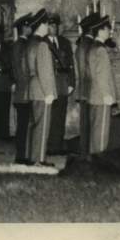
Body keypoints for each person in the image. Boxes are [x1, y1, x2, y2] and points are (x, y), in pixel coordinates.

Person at [25, 9, 56, 167]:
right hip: (42, 89)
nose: (48, 27)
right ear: (42, 25)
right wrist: (49, 92)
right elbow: (44, 70)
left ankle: (32, 156)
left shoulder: (31, 42)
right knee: (42, 125)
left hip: (33, 87)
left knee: (35, 124)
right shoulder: (42, 44)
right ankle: (39, 159)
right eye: (47, 24)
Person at [83, 13, 118, 154]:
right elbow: (102, 75)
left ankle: (93, 159)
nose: (109, 32)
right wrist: (107, 95)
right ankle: (99, 161)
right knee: (102, 132)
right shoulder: (101, 50)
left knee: (96, 130)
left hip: (94, 95)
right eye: (107, 29)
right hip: (101, 97)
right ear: (101, 30)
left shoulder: (92, 47)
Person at [45, 13, 76, 155]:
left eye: (56, 25)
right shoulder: (43, 43)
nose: (54, 28)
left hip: (62, 82)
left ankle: (57, 144)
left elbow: (70, 64)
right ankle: (48, 145)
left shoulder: (64, 42)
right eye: (51, 25)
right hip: (50, 81)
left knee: (60, 114)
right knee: (49, 115)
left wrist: (72, 82)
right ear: (46, 27)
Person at [9, 14, 33, 163]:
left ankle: (24, 154)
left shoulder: (22, 44)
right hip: (23, 92)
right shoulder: (20, 45)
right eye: (29, 26)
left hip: (23, 91)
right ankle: (21, 156)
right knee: (23, 125)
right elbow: (18, 69)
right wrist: (26, 85)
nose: (31, 28)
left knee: (25, 124)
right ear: (23, 28)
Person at [74, 19, 93, 157]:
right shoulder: (88, 44)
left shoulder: (83, 44)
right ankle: (87, 150)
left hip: (85, 87)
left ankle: (85, 149)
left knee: (86, 121)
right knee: (89, 122)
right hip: (89, 87)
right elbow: (85, 69)